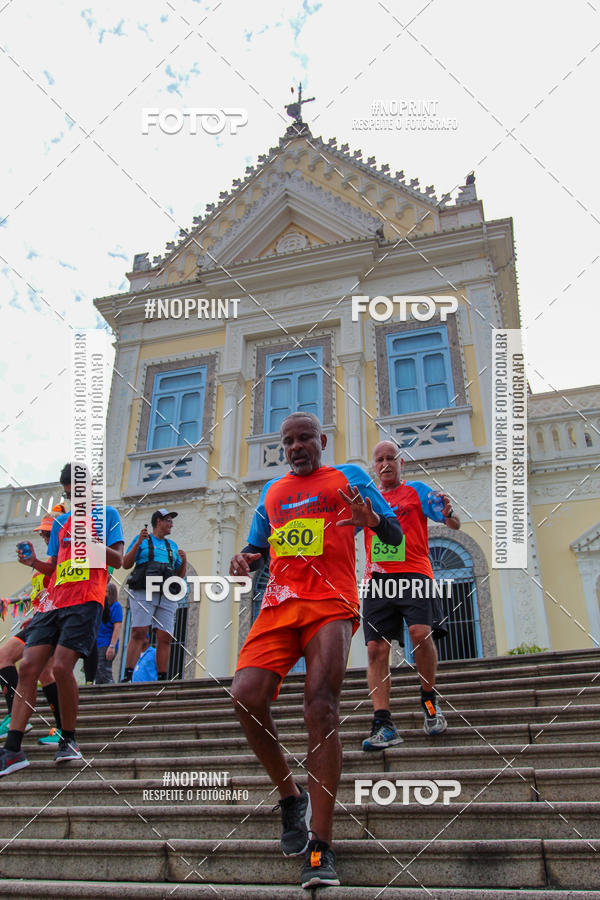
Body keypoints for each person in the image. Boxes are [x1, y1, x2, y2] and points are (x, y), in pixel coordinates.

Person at [229, 412, 403, 889]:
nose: (297, 446)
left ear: (322, 440)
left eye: (305, 438)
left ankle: (320, 846)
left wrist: (371, 521)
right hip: (279, 603)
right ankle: (290, 797)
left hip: (331, 602)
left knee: (320, 707)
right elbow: (256, 548)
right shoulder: (272, 493)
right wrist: (245, 560)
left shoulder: (349, 477)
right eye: (288, 441)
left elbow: (393, 535)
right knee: (245, 693)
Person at [0, 463, 124, 776]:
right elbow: (53, 567)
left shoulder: (108, 516)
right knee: (28, 666)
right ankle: (13, 749)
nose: (73, 500)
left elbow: (120, 560)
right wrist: (33, 562)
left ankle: (68, 740)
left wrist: (91, 543)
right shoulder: (61, 523)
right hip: (54, 600)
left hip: (86, 599)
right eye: (68, 495)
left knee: (60, 667)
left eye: (78, 493)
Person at [361, 441, 461, 751]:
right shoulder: (367, 499)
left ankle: (429, 702)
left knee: (420, 632)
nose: (386, 463)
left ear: (401, 463)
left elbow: (453, 523)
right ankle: (383, 723)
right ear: (374, 466)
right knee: (376, 649)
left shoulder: (416, 491)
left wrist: (448, 512)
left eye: (391, 458)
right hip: (377, 579)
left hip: (415, 572)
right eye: (380, 459)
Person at [0, 512, 63, 746]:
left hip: (54, 620)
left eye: (49, 532)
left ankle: (19, 718)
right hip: (42, 619)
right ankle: (60, 730)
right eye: (43, 532)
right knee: (40, 671)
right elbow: (44, 594)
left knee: (9, 659)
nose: (45, 536)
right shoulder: (51, 558)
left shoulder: (65, 556)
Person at [121, 509, 186, 682]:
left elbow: (179, 576)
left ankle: (162, 677)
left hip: (166, 592)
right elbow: (126, 564)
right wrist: (138, 543)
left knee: (165, 635)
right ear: (158, 521)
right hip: (144, 589)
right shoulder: (142, 540)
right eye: (168, 520)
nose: (171, 524)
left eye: (172, 521)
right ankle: (128, 674)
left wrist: (184, 560)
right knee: (139, 631)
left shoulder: (171, 545)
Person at [94, 579, 122, 684]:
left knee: (104, 671)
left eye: (106, 592)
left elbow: (117, 627)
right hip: (98, 643)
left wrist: (112, 646)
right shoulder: (101, 607)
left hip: (106, 643)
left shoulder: (116, 606)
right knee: (98, 673)